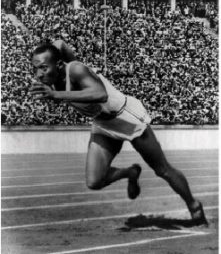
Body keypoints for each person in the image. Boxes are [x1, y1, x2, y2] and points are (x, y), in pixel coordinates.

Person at [30, 39, 208, 226]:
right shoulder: (53, 81)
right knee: (94, 181)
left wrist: (56, 95)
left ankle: (194, 206)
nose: (39, 74)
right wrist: (54, 79)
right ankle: (130, 173)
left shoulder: (75, 70)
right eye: (36, 69)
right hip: (103, 124)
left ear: (58, 64)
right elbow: (58, 44)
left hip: (126, 117)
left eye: (43, 68)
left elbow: (100, 94)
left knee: (162, 170)